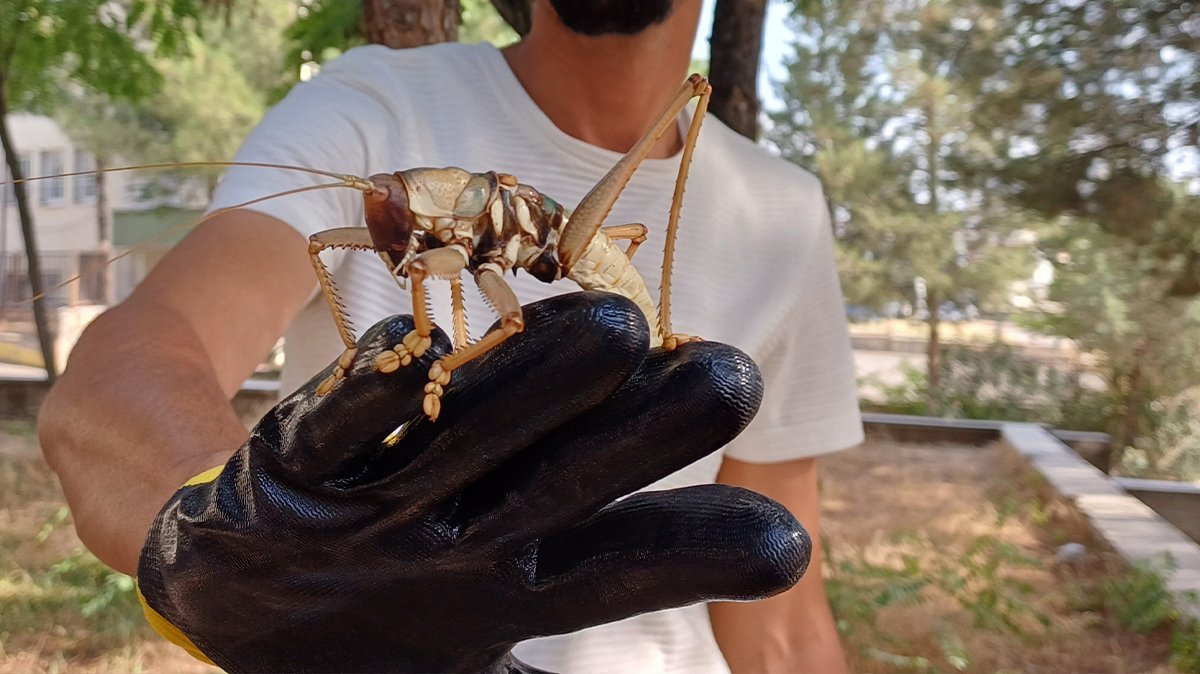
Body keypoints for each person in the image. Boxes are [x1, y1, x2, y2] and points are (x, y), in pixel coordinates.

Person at [38, 0, 863, 672]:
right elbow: (141, 351)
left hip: (570, 248)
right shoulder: (368, 104)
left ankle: (662, 316)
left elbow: (778, 614)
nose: (388, 223)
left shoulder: (783, 208)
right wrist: (237, 540)